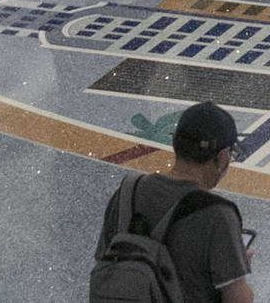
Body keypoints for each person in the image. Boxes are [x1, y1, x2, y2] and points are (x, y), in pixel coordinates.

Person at [93, 101, 253, 303]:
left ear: (175, 143)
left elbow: (104, 262)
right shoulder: (218, 214)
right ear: (222, 157)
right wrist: (235, 266)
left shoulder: (127, 193)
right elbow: (238, 298)